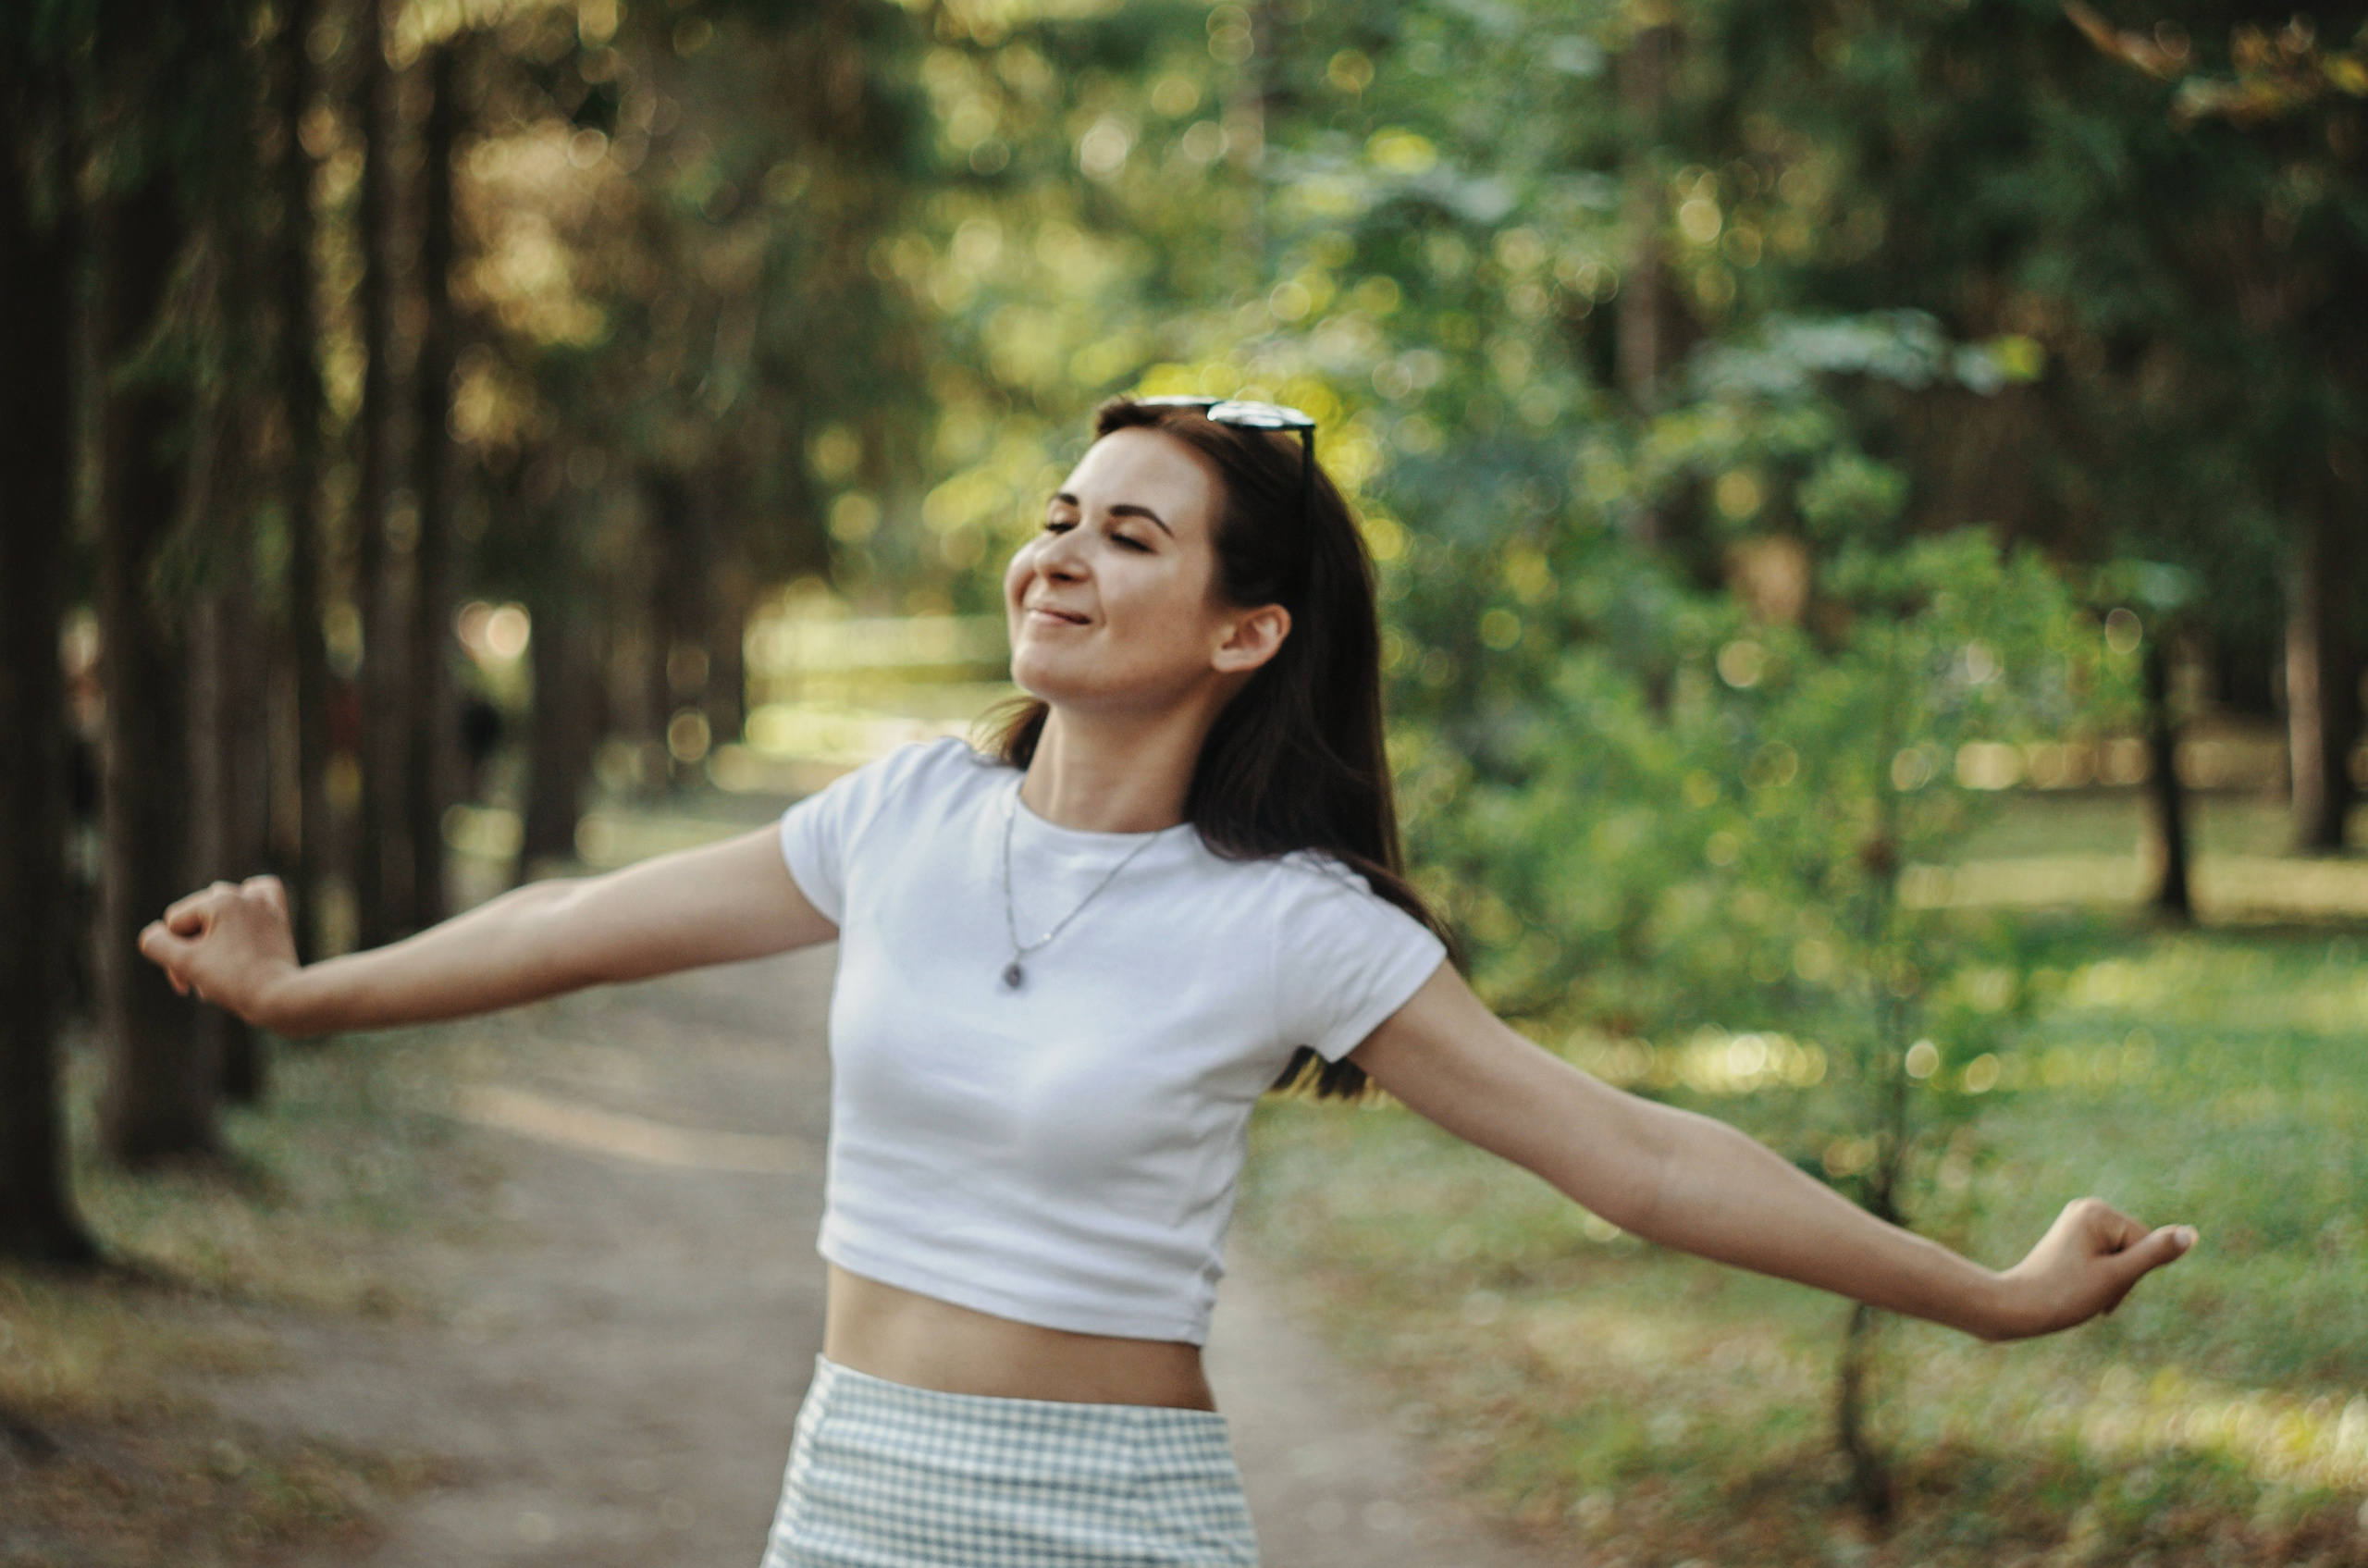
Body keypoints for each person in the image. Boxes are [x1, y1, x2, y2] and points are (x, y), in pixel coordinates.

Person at [138, 396, 2197, 1568]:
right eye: (1054, 517)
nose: (1056, 554)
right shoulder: (904, 818)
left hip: (1103, 1513)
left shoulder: (1293, 921)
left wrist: (1992, 1292)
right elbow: (558, 931)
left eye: (1128, 535)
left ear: (1241, 632)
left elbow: (1631, 1158)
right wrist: (305, 995)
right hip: (841, 1482)